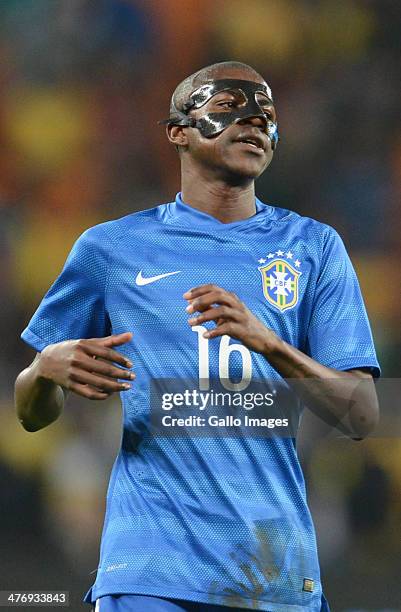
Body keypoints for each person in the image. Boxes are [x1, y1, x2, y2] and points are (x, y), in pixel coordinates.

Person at [15, 61, 380, 612]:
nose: (255, 120)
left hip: (273, 571)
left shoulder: (314, 248)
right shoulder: (111, 249)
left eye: (267, 113)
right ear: (178, 130)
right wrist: (44, 369)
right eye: (231, 105)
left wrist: (270, 344)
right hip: (149, 568)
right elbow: (31, 413)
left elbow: (360, 415)